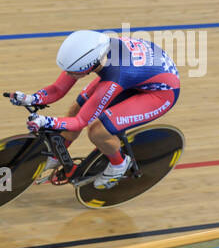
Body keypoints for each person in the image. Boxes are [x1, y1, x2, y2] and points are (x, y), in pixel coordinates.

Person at [11, 29, 180, 188]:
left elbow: (80, 123)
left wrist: (44, 121)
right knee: (77, 108)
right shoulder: (94, 52)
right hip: (137, 76)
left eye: (72, 72)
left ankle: (119, 165)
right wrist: (31, 98)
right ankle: (57, 155)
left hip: (160, 94)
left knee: (98, 131)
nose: (67, 75)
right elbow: (58, 89)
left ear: (89, 66)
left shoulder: (113, 76)